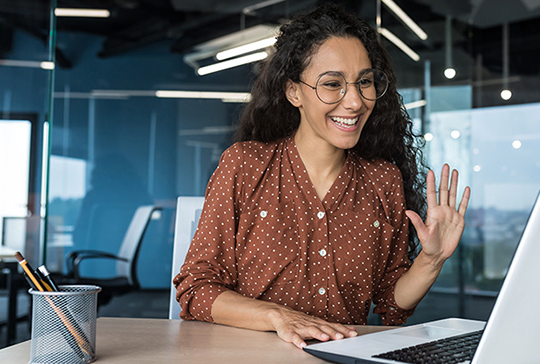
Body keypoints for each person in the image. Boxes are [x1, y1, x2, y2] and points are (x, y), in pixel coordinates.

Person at [173, 3, 470, 349]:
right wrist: (275, 316)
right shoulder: (244, 165)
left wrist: (431, 260)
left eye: (364, 83)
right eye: (333, 84)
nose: (355, 102)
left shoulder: (382, 180)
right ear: (294, 91)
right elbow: (196, 288)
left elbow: (391, 302)